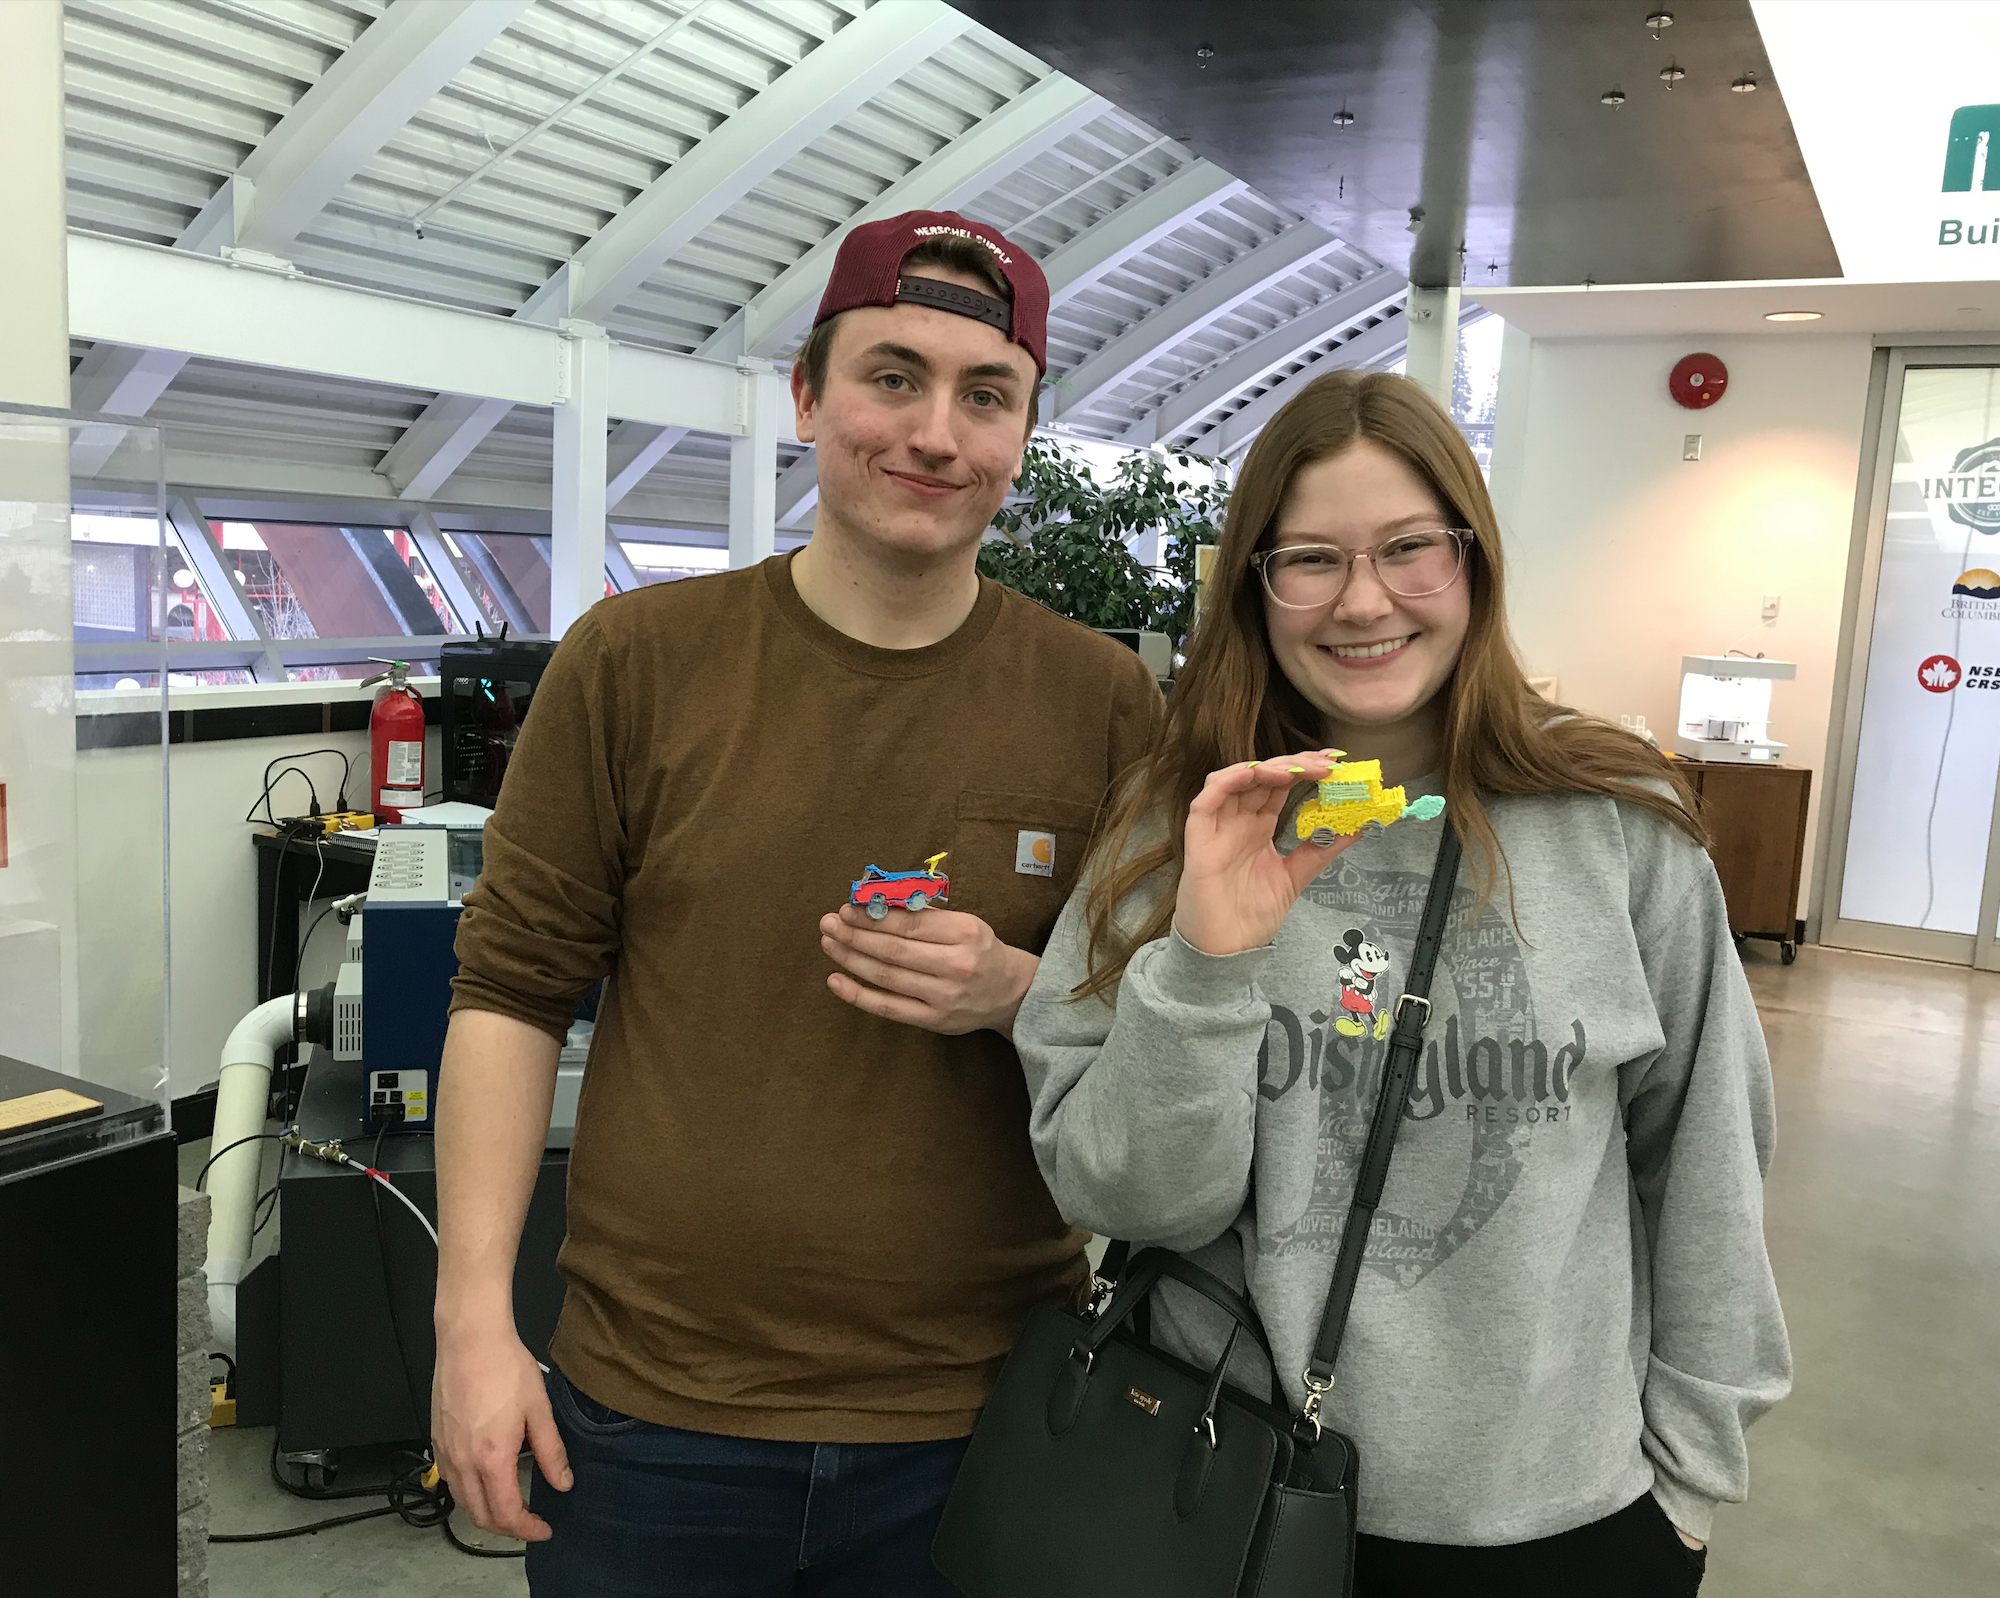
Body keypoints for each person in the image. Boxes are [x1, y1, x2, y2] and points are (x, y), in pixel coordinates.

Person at [431, 210, 1163, 1594]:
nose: (935, 434)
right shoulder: (638, 662)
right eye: (893, 376)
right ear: (808, 394)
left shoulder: (1103, 701)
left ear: (1019, 432)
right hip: (652, 1416)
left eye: (984, 395)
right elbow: (510, 992)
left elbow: (1165, 1032)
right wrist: (474, 1315)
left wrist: (1014, 989)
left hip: (982, 1417)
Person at [1016, 370, 1790, 1596]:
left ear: (1472, 562)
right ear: (1254, 584)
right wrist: (1210, 960)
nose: (1362, 600)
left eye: (1407, 549)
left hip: (1551, 1513)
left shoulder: (1616, 831)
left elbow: (1705, 1160)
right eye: (1310, 557)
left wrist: (1689, 1481)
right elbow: (1125, 1192)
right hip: (1204, 1483)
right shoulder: (1176, 826)